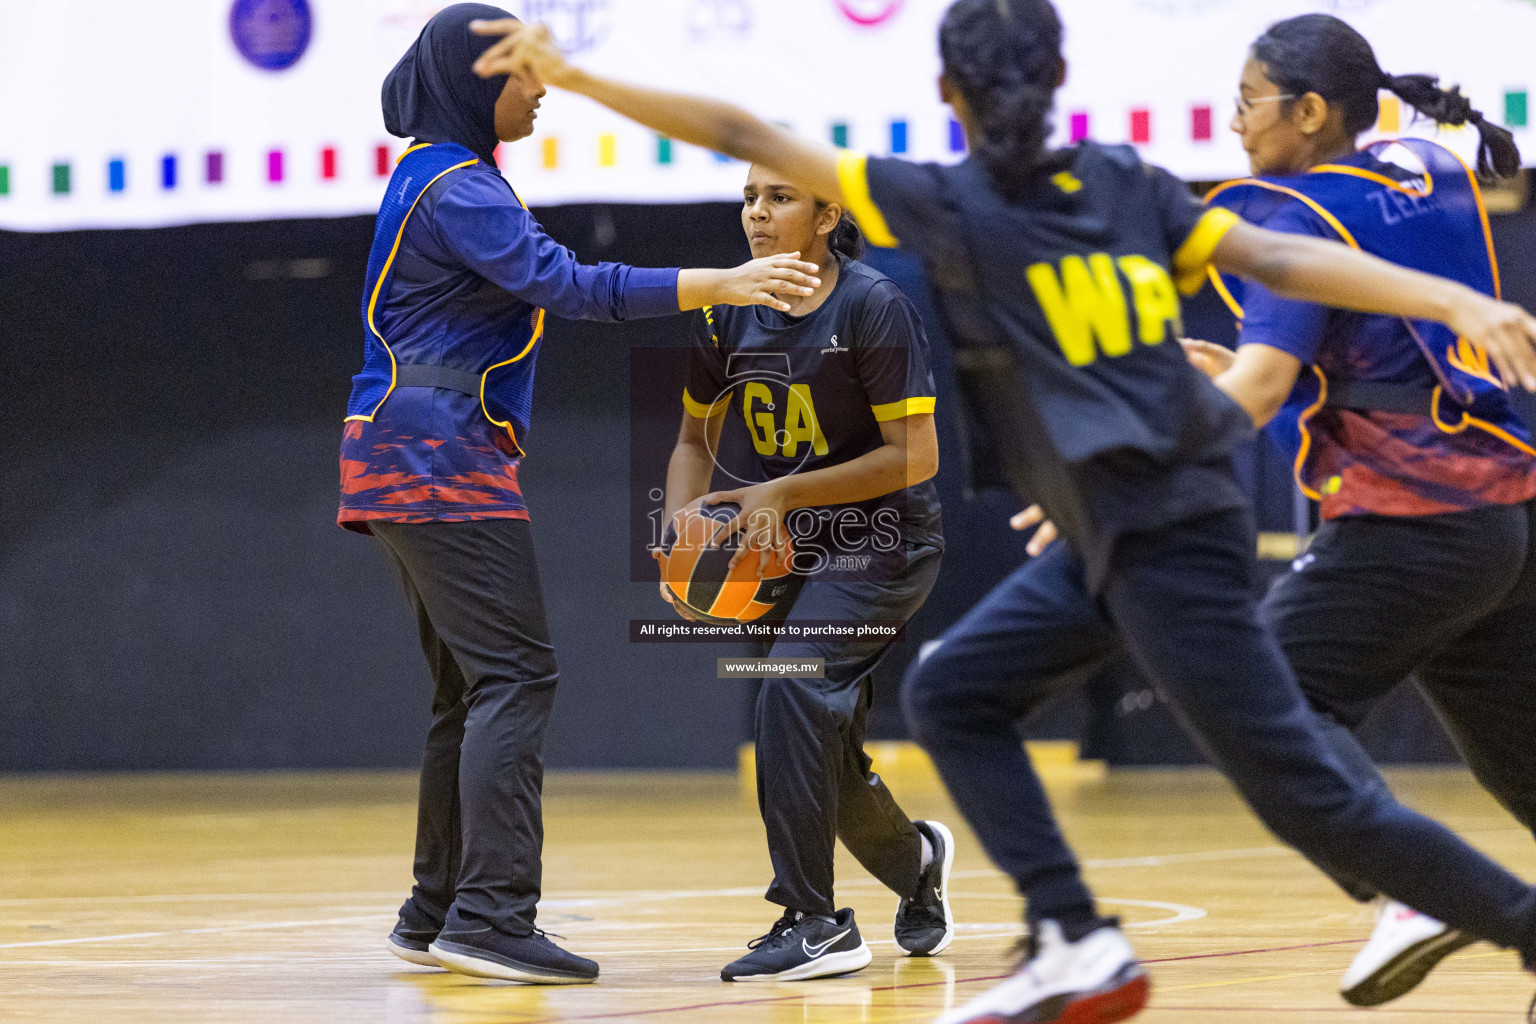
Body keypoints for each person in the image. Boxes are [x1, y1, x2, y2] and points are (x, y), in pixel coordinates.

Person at [463, 1, 1536, 1021]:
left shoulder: (949, 201)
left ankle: (1519, 925)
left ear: (946, 89)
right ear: (1060, 79)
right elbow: (1285, 258)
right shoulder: (1127, 178)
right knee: (960, 690)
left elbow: (745, 127)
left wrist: (576, 73)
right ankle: (1074, 933)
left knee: (1316, 797)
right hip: (1131, 516)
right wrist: (1450, 296)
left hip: (1167, 536)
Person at [341, 4, 820, 986]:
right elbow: (569, 284)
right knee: (517, 677)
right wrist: (720, 283)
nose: (543, 86)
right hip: (438, 463)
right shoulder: (457, 187)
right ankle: (490, 914)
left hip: (396, 456)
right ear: (480, 84)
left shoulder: (441, 177)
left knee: (468, 689)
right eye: (524, 71)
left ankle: (436, 909)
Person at [1185, 13, 1536, 1008]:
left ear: (1307, 110)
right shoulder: (1421, 170)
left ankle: (1419, 888)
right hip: (1506, 514)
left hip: (1415, 520)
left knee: (1256, 699)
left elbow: (1257, 392)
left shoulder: (1281, 215)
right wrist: (1277, 376)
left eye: (1250, 98)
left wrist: (1144, 455)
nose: (1235, 118)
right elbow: (1377, 350)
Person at [657, 163, 953, 981]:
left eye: (778, 197)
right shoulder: (728, 311)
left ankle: (814, 921)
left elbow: (914, 456)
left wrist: (782, 491)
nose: (756, 212)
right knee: (813, 733)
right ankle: (915, 863)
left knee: (789, 688)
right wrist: (680, 536)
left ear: (827, 217)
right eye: (750, 197)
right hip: (782, 545)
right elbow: (690, 441)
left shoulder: (871, 305)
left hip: (883, 541)